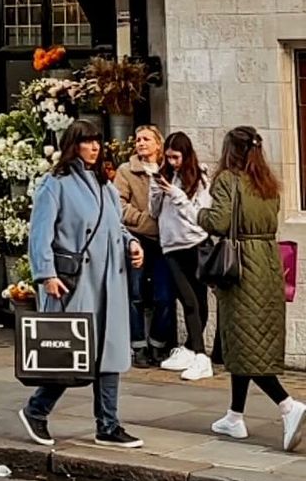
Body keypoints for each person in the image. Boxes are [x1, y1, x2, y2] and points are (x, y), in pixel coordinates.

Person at [20, 118, 144, 450]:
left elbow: (115, 227)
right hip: (75, 282)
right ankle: (36, 410)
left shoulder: (105, 184)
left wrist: (132, 243)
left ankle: (108, 424)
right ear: (73, 145)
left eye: (97, 142)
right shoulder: (55, 183)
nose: (93, 147)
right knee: (72, 354)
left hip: (110, 280)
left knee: (111, 353)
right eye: (87, 142)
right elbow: (40, 234)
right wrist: (46, 275)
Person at [200, 126, 306, 450]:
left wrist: (198, 212)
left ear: (230, 150)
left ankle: (288, 406)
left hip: (240, 268)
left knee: (244, 342)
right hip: (268, 264)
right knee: (248, 341)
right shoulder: (268, 184)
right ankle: (234, 416)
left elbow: (217, 222)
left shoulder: (227, 180)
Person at [149, 130, 212, 380]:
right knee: (186, 299)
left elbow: (200, 216)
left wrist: (176, 195)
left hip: (195, 242)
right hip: (171, 246)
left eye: (176, 157)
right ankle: (194, 351)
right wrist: (156, 191)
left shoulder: (200, 178)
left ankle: (198, 353)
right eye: (169, 157)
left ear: (186, 155)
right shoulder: (164, 176)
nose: (173, 162)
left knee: (198, 298)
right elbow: (153, 212)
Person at [114, 125, 174, 367]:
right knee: (135, 294)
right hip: (136, 239)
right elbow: (118, 205)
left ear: (158, 144)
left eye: (146, 139)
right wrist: (144, 221)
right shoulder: (126, 171)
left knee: (165, 296)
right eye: (138, 140)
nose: (141, 143)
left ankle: (158, 344)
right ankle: (138, 346)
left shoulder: (167, 170)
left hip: (164, 242)